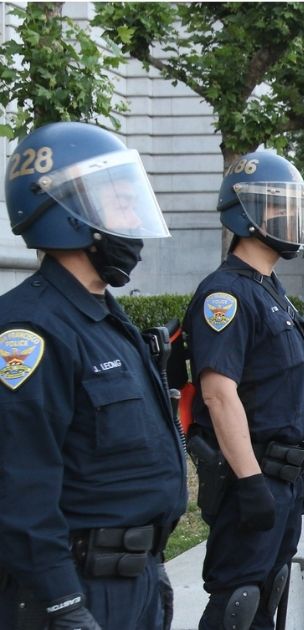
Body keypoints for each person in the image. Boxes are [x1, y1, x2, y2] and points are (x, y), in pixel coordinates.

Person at [0, 122, 186, 630]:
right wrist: (63, 603)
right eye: (118, 203)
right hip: (79, 591)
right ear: (66, 214)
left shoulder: (104, 316)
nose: (132, 221)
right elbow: (20, 483)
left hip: (134, 581)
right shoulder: (30, 329)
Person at [185, 150, 304, 629]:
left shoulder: (270, 289)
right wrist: (248, 482)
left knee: (268, 596)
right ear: (248, 216)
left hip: (281, 473)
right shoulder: (225, 294)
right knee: (237, 603)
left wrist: (300, 462)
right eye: (277, 205)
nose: (289, 215)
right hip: (253, 476)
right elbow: (218, 395)